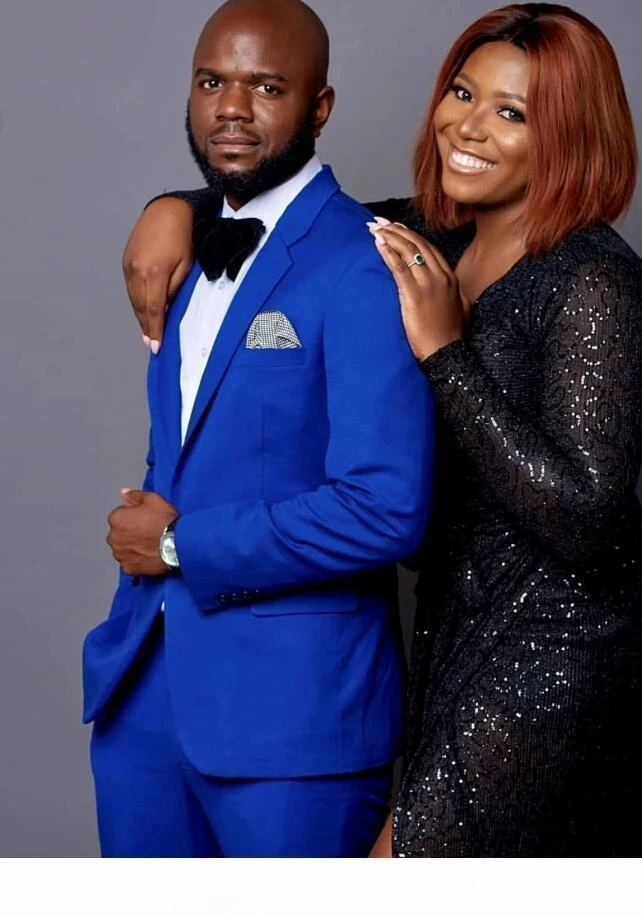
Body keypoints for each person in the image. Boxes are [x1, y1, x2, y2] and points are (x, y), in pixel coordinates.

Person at [120, 3, 642, 857]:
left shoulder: (599, 282)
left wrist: (446, 354)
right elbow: (287, 209)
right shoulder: (426, 235)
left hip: (566, 635)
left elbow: (586, 516)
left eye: (512, 112)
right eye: (463, 92)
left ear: (571, 135)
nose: (469, 126)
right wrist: (170, 206)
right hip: (456, 617)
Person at [82, 0, 434, 858]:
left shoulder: (363, 263)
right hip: (144, 702)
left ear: (320, 106)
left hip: (294, 723)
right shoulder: (181, 248)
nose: (231, 108)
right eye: (212, 83)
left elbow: (387, 507)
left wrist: (179, 545)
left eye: (266, 87)